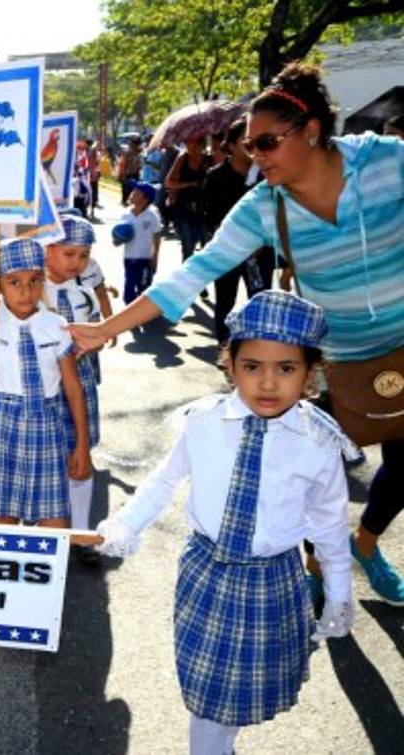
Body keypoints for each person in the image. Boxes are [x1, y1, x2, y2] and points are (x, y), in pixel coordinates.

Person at [74, 63, 404, 604]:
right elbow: (191, 274)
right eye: (250, 146)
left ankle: (365, 542)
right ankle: (321, 568)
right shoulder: (262, 208)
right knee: (316, 477)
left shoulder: (388, 164)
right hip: (333, 364)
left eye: (268, 142)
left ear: (312, 130)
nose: (256, 156)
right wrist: (104, 328)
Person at [95, 292, 355, 754]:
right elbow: (164, 479)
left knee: (235, 696)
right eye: (252, 366)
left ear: (311, 371)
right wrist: (126, 523)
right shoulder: (204, 421)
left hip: (272, 581)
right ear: (229, 364)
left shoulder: (317, 441)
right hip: (207, 574)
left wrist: (338, 593)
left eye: (286, 368)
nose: (268, 383)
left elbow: (330, 523)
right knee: (208, 700)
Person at [0, 238, 92, 528]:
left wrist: (81, 445)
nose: (26, 291)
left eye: (34, 280)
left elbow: (73, 389)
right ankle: (9, 570)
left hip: (47, 425)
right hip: (4, 424)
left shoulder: (55, 325)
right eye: (14, 282)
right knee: (7, 520)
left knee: (54, 522)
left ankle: (48, 571)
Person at [45, 216, 103, 563]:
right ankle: (47, 529)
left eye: (83, 256)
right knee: (47, 459)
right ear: (47, 249)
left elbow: (101, 333)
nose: (76, 263)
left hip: (79, 384)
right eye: (69, 253)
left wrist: (91, 342)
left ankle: (80, 534)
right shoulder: (32, 291)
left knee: (80, 457)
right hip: (45, 390)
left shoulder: (82, 293)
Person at [203, 122, 274, 344]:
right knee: (225, 301)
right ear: (231, 145)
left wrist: (261, 243)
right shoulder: (216, 176)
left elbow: (275, 213)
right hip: (228, 252)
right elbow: (209, 215)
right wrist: (232, 241)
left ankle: (259, 349)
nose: (252, 146)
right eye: (246, 140)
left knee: (261, 301)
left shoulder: (266, 176)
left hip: (260, 253)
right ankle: (226, 349)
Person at [165, 137, 215, 300]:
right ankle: (190, 285)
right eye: (188, 145)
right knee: (188, 247)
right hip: (183, 210)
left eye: (195, 145)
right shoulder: (182, 158)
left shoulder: (210, 159)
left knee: (206, 248)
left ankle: (198, 281)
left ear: (202, 145)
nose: (191, 148)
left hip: (204, 211)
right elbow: (169, 182)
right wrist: (187, 184)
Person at [115, 181, 162, 305]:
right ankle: (129, 309)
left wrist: (155, 255)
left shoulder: (152, 216)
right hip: (129, 257)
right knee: (129, 283)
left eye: (137, 192)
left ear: (145, 198)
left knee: (144, 286)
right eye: (133, 191)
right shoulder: (126, 214)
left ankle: (142, 309)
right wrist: (117, 240)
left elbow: (157, 235)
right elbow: (119, 234)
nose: (132, 194)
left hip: (145, 258)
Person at [116, 136, 143, 206]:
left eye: (133, 144)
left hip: (136, 173)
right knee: (125, 187)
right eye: (132, 144)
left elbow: (140, 164)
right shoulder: (127, 152)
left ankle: (127, 200)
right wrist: (121, 174)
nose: (131, 145)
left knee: (132, 188)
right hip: (127, 173)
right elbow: (122, 163)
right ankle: (124, 200)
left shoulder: (141, 152)